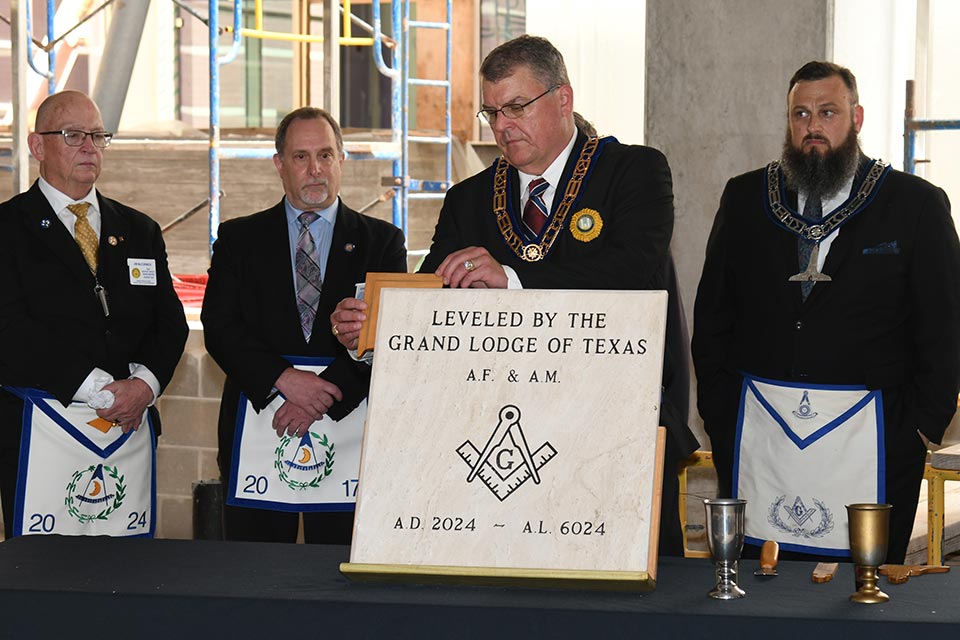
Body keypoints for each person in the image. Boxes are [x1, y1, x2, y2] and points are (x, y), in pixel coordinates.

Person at [330, 35, 699, 556]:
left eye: (516, 107)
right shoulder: (469, 199)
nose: (502, 126)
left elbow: (632, 272)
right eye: (491, 113)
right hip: (498, 450)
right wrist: (370, 329)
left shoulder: (633, 172)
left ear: (564, 99)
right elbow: (430, 297)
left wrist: (514, 279)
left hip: (610, 434)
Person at [692, 61, 960, 563]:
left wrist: (923, 426)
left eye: (828, 112)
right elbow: (713, 316)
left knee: (860, 598)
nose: (813, 126)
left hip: (874, 442)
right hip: (761, 439)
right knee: (759, 594)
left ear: (856, 118)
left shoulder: (915, 205)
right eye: (801, 114)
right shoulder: (747, 198)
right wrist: (720, 412)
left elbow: (944, 327)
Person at [202, 107, 406, 544]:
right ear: (280, 164)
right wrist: (284, 380)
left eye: (326, 155)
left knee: (339, 580)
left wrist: (321, 394)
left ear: (342, 160)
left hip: (346, 427)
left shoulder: (383, 242)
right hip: (259, 423)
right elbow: (219, 325)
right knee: (252, 576)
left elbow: (392, 336)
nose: (315, 169)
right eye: (301, 157)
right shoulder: (239, 239)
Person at [0, 91, 188, 538]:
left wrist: (144, 386)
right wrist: (104, 391)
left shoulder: (139, 230)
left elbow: (170, 323)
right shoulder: (7, 229)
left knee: (125, 581)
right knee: (44, 585)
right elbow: (8, 329)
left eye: (98, 135)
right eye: (73, 135)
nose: (89, 146)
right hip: (38, 430)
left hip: (127, 430)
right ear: (36, 146)